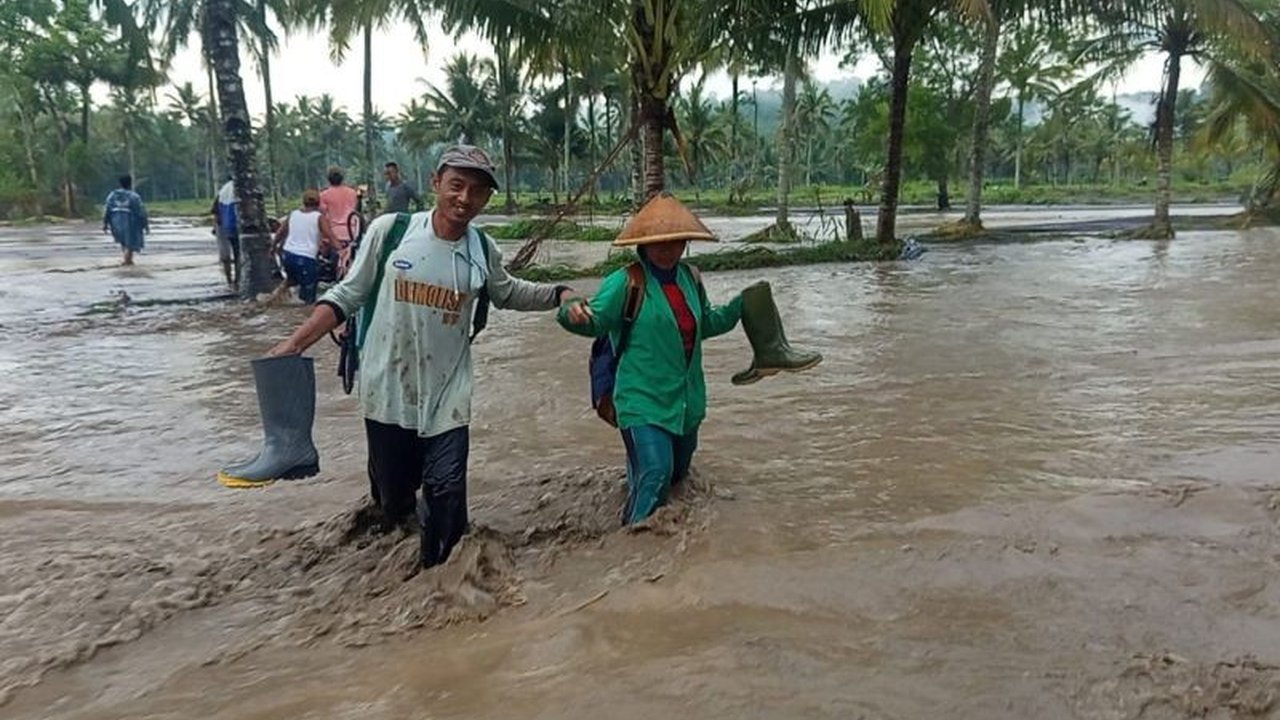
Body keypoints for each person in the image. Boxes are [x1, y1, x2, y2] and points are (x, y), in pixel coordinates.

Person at [261, 145, 589, 568]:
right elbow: (348, 294)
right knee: (394, 508)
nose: (464, 199)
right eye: (456, 186)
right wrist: (295, 343)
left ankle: (444, 592)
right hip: (387, 392)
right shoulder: (391, 231)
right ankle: (391, 572)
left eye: (476, 191)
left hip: (448, 396)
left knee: (447, 499)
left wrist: (559, 294)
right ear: (436, 183)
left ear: (487, 199)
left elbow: (507, 291)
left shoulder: (481, 249)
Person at [559, 193, 823, 524]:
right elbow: (595, 322)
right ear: (643, 243)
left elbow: (704, 325)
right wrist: (570, 311)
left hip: (686, 401)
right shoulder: (626, 282)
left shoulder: (690, 278)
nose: (669, 249)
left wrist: (739, 306)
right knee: (656, 474)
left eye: (677, 241)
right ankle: (630, 547)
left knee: (677, 476)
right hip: (641, 399)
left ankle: (646, 504)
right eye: (660, 242)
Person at [269, 188, 339, 304]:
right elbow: (330, 236)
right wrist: (342, 248)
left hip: (288, 256)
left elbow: (280, 233)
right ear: (318, 203)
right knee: (309, 296)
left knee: (291, 279)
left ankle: (272, 298)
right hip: (306, 259)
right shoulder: (319, 217)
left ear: (303, 201)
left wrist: (272, 247)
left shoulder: (293, 214)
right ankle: (303, 312)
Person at [319, 165, 359, 273]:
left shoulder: (324, 195)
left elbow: (322, 215)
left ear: (328, 179)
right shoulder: (352, 193)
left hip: (335, 233)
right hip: (352, 232)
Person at [102, 175, 149, 266]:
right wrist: (145, 224)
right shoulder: (134, 196)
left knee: (124, 242)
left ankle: (128, 260)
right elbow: (141, 211)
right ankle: (126, 262)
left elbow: (107, 209)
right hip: (130, 222)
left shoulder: (112, 195)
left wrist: (105, 223)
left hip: (115, 222)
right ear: (130, 184)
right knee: (130, 244)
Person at [211, 176, 240, 286]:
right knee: (238, 254)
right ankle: (237, 280)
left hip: (222, 226)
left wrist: (216, 227)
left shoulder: (223, 190)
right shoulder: (240, 189)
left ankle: (229, 280)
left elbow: (215, 212)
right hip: (234, 226)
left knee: (226, 256)